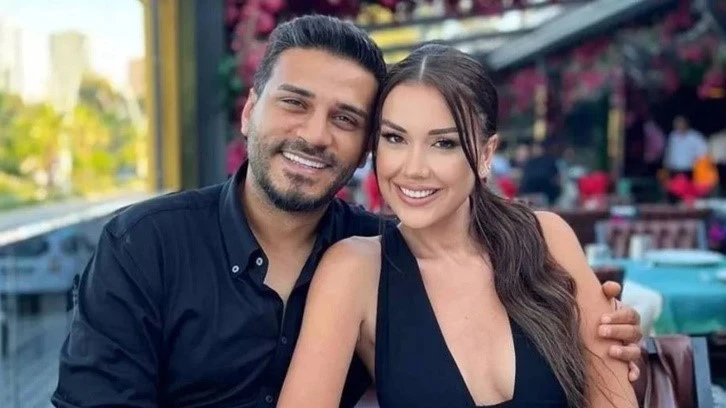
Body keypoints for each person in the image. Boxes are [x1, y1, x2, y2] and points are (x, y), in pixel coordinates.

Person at [52, 16, 642, 408]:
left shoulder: (396, 250)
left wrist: (606, 331)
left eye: (344, 118)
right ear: (249, 112)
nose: (315, 134)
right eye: (294, 103)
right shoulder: (146, 246)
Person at [278, 45, 638, 408]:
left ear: (486, 154)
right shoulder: (354, 270)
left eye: (444, 143)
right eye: (395, 138)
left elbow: (615, 396)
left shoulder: (548, 239)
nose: (414, 168)